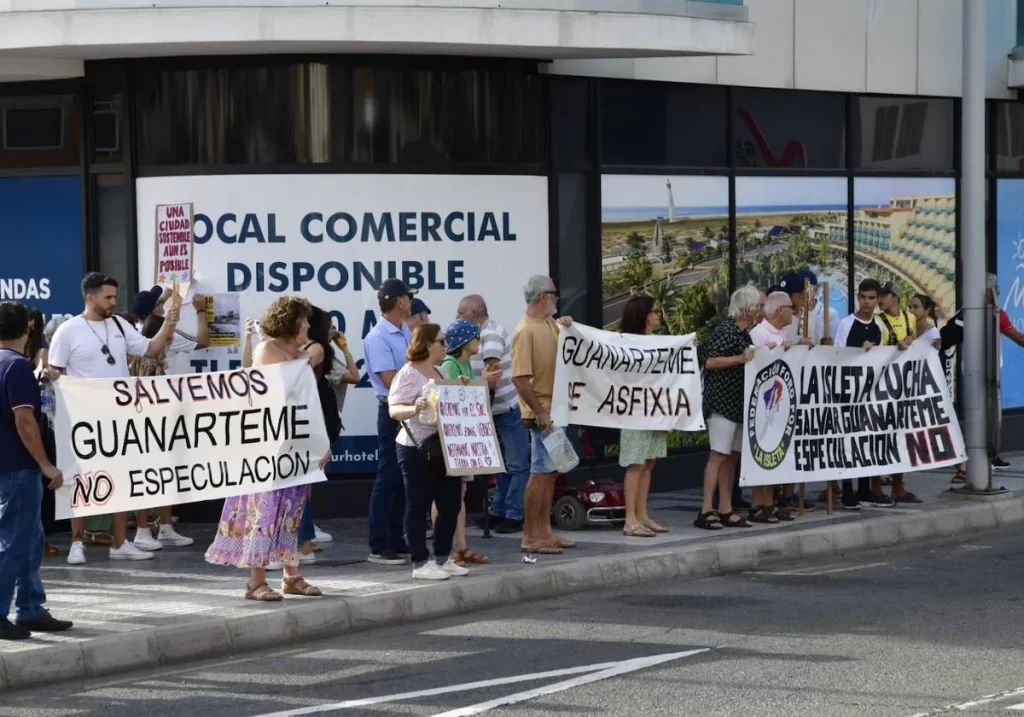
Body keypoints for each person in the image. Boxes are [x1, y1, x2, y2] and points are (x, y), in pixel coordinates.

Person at [46, 272, 181, 565]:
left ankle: (120, 543)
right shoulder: (68, 331)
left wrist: (168, 325)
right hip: (82, 417)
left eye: (114, 297)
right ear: (90, 296)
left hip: (119, 416)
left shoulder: (120, 324)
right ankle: (77, 542)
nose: (113, 302)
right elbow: (54, 370)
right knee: (83, 480)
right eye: (107, 297)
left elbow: (151, 349)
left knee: (120, 478)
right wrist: (56, 378)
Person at [205, 296, 326, 601]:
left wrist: (319, 442)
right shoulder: (268, 349)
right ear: (291, 321)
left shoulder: (296, 350)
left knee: (291, 510)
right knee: (264, 510)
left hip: (296, 440)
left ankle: (291, 575)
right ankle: (255, 580)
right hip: (268, 444)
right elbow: (276, 392)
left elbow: (307, 400)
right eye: (303, 319)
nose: (308, 325)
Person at [0, 301, 73, 640]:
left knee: (30, 540)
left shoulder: (13, 366)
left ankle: (29, 608)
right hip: (18, 467)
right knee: (14, 541)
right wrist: (45, 463)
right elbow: (24, 421)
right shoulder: (15, 367)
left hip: (12, 467)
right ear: (28, 329)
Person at [388, 324, 469, 581]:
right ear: (427, 344)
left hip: (444, 446)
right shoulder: (407, 374)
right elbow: (394, 410)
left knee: (451, 504)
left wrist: (462, 387)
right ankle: (420, 562)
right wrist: (415, 407)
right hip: (416, 448)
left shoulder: (441, 371)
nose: (445, 345)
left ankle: (443, 557)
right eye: (441, 341)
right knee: (417, 504)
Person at [510, 275, 574, 555]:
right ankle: (530, 535)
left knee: (550, 473)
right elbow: (520, 379)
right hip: (543, 413)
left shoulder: (548, 323)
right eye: (554, 293)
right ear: (542, 297)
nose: (557, 298)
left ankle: (545, 531)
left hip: (556, 409)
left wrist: (567, 326)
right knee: (539, 472)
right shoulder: (525, 331)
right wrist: (539, 412)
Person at [458, 294, 530, 534]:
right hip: (496, 410)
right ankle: (499, 512)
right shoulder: (482, 333)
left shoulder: (489, 336)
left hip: (504, 410)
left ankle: (513, 514)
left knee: (516, 465)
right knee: (503, 466)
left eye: (461, 312)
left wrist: (480, 405)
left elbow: (493, 375)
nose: (457, 317)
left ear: (474, 314)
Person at [941, 273, 1024, 478]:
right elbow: (1019, 338)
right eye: (993, 290)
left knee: (982, 416)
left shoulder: (967, 312)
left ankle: (981, 458)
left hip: (974, 372)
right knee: (985, 416)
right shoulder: (993, 314)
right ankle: (972, 461)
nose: (996, 294)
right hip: (980, 374)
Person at [126, 313, 196, 548]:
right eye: (169, 330)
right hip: (146, 423)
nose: (173, 334)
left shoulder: (160, 355)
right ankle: (143, 530)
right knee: (145, 477)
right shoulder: (144, 357)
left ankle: (165, 526)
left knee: (167, 475)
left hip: (165, 422)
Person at [696, 286, 759, 530]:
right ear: (748, 309)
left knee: (731, 458)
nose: (760, 311)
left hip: (736, 403)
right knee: (718, 455)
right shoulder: (726, 330)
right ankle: (706, 508)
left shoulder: (745, 334)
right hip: (721, 402)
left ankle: (725, 507)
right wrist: (739, 359)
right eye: (757, 307)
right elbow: (710, 362)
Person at [363, 279, 416, 565]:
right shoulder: (378, 337)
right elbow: (389, 380)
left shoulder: (403, 330)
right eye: (408, 297)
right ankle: (378, 543)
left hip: (408, 410)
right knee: (388, 477)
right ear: (399, 302)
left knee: (403, 478)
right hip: (392, 411)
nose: (411, 301)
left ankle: (396, 537)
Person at [833, 278, 895, 510]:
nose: (867, 302)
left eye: (871, 298)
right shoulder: (846, 324)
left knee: (867, 440)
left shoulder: (878, 326)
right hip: (848, 392)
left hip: (869, 392)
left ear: (878, 299)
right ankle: (848, 490)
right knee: (848, 441)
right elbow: (836, 356)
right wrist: (859, 352)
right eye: (863, 297)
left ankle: (866, 488)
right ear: (858, 298)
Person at [440, 318, 496, 564]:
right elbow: (453, 398)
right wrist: (482, 382)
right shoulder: (451, 365)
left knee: (459, 492)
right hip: (453, 439)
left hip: (463, 438)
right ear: (464, 341)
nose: (479, 342)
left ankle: (460, 545)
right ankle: (449, 546)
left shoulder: (464, 365)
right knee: (445, 495)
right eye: (476, 337)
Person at [616, 296, 669, 537]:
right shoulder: (626, 342)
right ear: (644, 315)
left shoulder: (657, 341)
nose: (658, 315)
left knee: (649, 461)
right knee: (636, 462)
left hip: (655, 408)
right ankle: (630, 519)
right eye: (655, 311)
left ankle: (642, 514)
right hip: (635, 409)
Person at [747, 291, 800, 523]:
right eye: (790, 307)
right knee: (763, 452)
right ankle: (758, 503)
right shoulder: (758, 333)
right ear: (780, 310)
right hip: (763, 404)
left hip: (780, 403)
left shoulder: (781, 333)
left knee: (775, 453)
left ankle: (770, 501)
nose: (793, 311)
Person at [779, 270, 840, 346]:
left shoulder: (823, 316)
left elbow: (833, 347)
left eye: (789, 295)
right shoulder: (782, 316)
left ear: (802, 294)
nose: (784, 298)